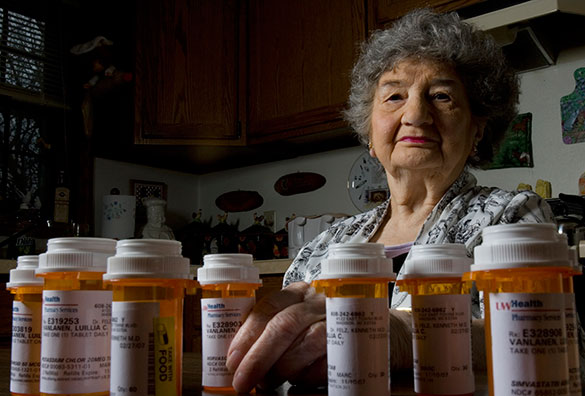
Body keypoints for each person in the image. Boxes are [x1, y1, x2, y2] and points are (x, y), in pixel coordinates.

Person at [225, 8, 556, 393]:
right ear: (370, 132)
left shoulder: (512, 216)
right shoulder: (327, 244)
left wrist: (398, 333)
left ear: (477, 128)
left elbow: (541, 336)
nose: (415, 113)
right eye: (394, 95)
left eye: (442, 96)